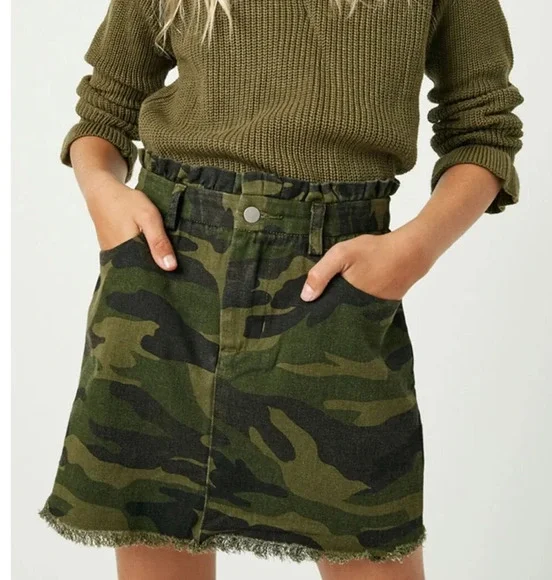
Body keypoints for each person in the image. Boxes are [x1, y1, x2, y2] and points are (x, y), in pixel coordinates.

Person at [37, 0, 524, 578]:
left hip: (334, 290)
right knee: (154, 531)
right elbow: (106, 106)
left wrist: (413, 251)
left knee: (372, 551)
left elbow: (483, 130)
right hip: (166, 278)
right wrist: (101, 190)